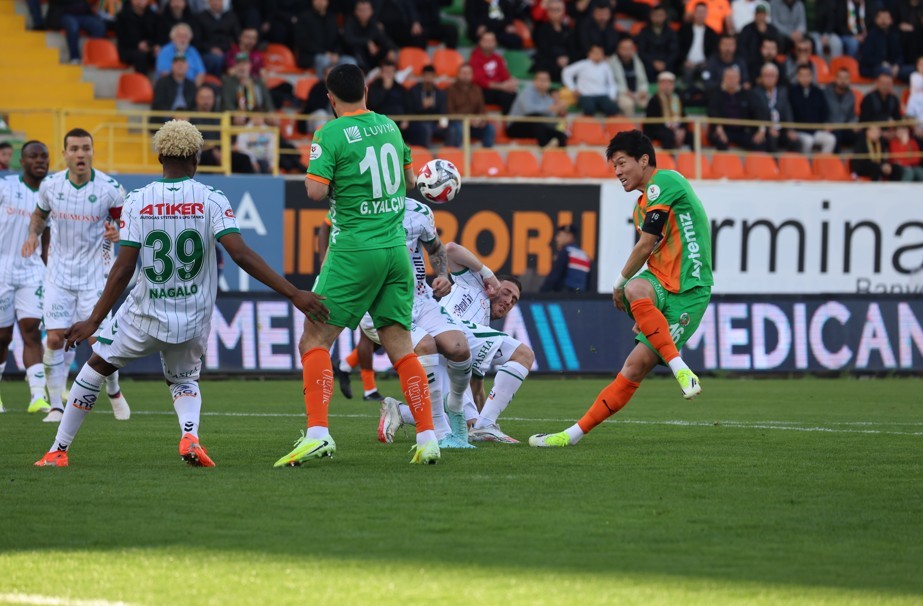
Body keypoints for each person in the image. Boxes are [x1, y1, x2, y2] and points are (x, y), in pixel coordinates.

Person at [33, 120, 328, 468]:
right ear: (196, 157)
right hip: (193, 316)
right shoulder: (212, 198)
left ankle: (58, 450)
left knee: (94, 368)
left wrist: (93, 320)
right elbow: (241, 254)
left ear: (160, 156)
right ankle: (190, 435)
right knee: (185, 379)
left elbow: (124, 267)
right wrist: (294, 293)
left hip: (144, 314)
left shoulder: (138, 200)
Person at [273, 63, 441, 467]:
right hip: (396, 250)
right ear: (367, 89)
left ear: (330, 98)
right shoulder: (388, 125)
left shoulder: (329, 132)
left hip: (355, 249)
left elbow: (315, 191)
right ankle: (428, 437)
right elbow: (410, 180)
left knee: (314, 340)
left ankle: (317, 434)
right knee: (401, 346)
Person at [530, 130, 712, 448]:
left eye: (621, 163)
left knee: (635, 365)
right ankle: (569, 437)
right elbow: (650, 252)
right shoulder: (640, 208)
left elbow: (646, 245)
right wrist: (645, 314)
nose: (617, 172)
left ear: (644, 160)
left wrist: (617, 283)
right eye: (614, 166)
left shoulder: (665, 182)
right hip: (659, 283)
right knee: (636, 288)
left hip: (690, 291)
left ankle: (679, 368)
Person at [23, 128, 129, 424]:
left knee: (100, 342)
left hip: (95, 276)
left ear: (92, 152)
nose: (80, 154)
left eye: (85, 148)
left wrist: (118, 232)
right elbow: (39, 215)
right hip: (58, 275)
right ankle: (56, 405)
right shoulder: (51, 186)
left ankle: (114, 390)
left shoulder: (110, 188)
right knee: (55, 338)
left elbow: (128, 224)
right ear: (65, 154)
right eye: (74, 149)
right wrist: (33, 235)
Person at [0, 141, 51, 415]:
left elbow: (48, 240)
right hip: (1, 270)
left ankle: (37, 397)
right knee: (2, 336)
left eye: (45, 156)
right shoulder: (5, 187)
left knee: (31, 330)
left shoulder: (51, 194)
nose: (40, 161)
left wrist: (48, 268)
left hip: (32, 272)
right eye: (34, 156)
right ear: (23, 160)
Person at [506, 70, 569, 148]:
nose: (543, 82)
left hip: (536, 128)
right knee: (536, 117)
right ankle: (544, 147)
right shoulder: (527, 92)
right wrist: (550, 108)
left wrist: (559, 111)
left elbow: (549, 117)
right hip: (516, 126)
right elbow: (529, 110)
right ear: (534, 81)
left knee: (560, 134)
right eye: (541, 80)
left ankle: (560, 157)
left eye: (546, 80)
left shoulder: (548, 98)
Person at [707, 66, 763, 150]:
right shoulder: (716, 94)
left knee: (758, 143)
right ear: (723, 78)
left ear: (739, 78)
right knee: (720, 142)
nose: (731, 80)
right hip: (723, 129)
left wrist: (761, 130)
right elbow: (712, 112)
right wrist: (719, 129)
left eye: (734, 77)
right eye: (729, 77)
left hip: (742, 130)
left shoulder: (747, 94)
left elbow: (757, 111)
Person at [788, 63, 837, 153]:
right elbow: (788, 112)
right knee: (808, 141)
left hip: (816, 130)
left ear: (811, 76)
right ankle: (806, 166)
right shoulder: (791, 92)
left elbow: (824, 110)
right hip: (799, 131)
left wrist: (826, 123)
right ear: (798, 77)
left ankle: (821, 164)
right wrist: (790, 129)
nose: (805, 78)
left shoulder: (818, 92)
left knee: (831, 139)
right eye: (802, 75)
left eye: (807, 75)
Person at [752, 63, 801, 152]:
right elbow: (757, 113)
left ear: (776, 78)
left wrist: (790, 129)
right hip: (766, 129)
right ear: (761, 78)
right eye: (766, 75)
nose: (769, 78)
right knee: (771, 138)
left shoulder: (783, 91)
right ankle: (773, 165)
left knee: (796, 141)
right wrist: (768, 128)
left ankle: (791, 165)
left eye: (772, 75)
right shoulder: (756, 92)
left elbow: (787, 111)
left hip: (781, 129)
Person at [445, 63, 496, 148]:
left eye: (468, 73)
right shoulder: (450, 90)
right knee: (456, 128)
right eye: (463, 73)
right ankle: (455, 155)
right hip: (458, 123)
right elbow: (449, 111)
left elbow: (482, 109)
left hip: (474, 124)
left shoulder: (477, 89)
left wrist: (480, 119)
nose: (466, 75)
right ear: (458, 74)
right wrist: (466, 119)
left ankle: (486, 156)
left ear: (472, 75)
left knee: (489, 128)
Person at [295, 0, 353, 73]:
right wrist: (325, 53)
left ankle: (347, 84)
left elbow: (339, 39)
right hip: (311, 56)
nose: (320, 1)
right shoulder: (304, 18)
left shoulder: (332, 17)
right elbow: (303, 42)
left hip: (333, 55)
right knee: (323, 61)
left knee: (350, 62)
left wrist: (337, 53)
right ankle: (323, 84)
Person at [563, 44, 620, 117]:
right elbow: (566, 72)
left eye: (600, 53)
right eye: (595, 52)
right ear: (589, 54)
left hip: (602, 94)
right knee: (589, 109)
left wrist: (612, 96)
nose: (598, 55)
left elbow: (611, 83)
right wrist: (573, 88)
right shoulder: (582, 64)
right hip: (586, 94)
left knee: (612, 109)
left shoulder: (606, 66)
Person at [470, 31, 519, 115]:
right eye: (486, 41)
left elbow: (505, 76)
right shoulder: (475, 58)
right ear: (480, 42)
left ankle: (508, 123)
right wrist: (502, 86)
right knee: (506, 96)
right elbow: (480, 81)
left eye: (491, 41)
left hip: (497, 90)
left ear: (495, 43)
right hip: (481, 91)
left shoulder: (497, 58)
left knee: (512, 94)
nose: (489, 44)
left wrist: (511, 82)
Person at [342, 0, 397, 72]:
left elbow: (383, 38)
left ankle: (385, 72)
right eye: (361, 10)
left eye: (366, 10)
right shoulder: (350, 22)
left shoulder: (373, 23)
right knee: (357, 49)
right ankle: (365, 73)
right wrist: (367, 42)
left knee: (385, 50)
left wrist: (391, 49)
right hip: (352, 55)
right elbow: (348, 39)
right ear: (355, 11)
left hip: (371, 57)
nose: (364, 13)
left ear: (371, 11)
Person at [859, 8, 908, 80]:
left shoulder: (894, 35)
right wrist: (881, 63)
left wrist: (897, 65)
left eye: (886, 18)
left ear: (891, 20)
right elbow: (866, 57)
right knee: (886, 70)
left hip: (892, 67)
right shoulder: (870, 35)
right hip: (873, 68)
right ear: (876, 20)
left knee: (912, 70)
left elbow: (900, 55)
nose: (884, 21)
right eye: (881, 18)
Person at [540, 225, 591, 293]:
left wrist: (542, 292)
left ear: (569, 237)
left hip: (565, 295)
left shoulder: (566, 252)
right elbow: (588, 281)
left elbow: (555, 276)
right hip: (579, 294)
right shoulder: (585, 255)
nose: (556, 239)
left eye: (559, 235)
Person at [531, 0, 573, 83]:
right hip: (549, 61)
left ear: (563, 12)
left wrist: (566, 58)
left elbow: (572, 47)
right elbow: (544, 48)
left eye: (558, 9)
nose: (554, 12)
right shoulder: (541, 29)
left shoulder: (568, 29)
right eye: (551, 9)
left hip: (566, 61)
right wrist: (558, 58)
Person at [644, 71, 687, 150]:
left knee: (693, 136)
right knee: (668, 136)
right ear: (659, 85)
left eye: (669, 84)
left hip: (676, 128)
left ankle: (695, 161)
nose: (667, 86)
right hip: (658, 130)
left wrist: (681, 130)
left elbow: (684, 118)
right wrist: (671, 129)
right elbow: (652, 123)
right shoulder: (654, 100)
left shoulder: (678, 99)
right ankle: (669, 161)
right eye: (664, 83)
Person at [679, 2, 720, 84]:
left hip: (704, 64)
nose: (701, 15)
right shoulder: (684, 30)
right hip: (687, 63)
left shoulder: (711, 33)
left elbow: (713, 51)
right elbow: (679, 48)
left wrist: (706, 62)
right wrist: (685, 60)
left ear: (706, 14)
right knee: (687, 73)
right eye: (698, 12)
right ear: (694, 13)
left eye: (703, 12)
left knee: (707, 75)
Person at [636, 5, 680, 81]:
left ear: (665, 16)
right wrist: (653, 62)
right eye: (656, 15)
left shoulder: (671, 32)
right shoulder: (644, 31)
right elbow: (642, 51)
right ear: (651, 16)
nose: (658, 18)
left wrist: (665, 62)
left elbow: (674, 51)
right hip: (649, 63)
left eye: (661, 15)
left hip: (666, 63)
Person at [409, 66, 449, 148]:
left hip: (435, 123)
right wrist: (422, 106)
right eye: (426, 76)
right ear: (422, 77)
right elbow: (409, 110)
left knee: (452, 129)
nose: (428, 79)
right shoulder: (414, 91)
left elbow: (443, 110)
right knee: (426, 128)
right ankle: (428, 156)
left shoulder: (439, 92)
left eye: (431, 76)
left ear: (434, 77)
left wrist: (442, 122)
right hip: (418, 122)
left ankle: (449, 155)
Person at [609, 37, 650, 116]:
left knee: (652, 102)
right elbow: (610, 83)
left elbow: (643, 80)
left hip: (637, 93)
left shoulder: (637, 60)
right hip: (621, 94)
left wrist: (643, 90)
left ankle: (650, 127)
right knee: (628, 104)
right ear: (619, 50)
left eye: (630, 48)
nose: (628, 51)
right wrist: (624, 91)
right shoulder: (612, 63)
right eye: (625, 49)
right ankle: (631, 127)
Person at [738, 3, 781, 78]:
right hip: (751, 62)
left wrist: (763, 33)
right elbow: (742, 47)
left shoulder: (772, 29)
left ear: (766, 16)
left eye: (763, 15)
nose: (761, 17)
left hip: (769, 60)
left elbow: (778, 44)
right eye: (759, 14)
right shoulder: (747, 29)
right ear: (754, 15)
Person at [116, 0, 159, 74]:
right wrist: (137, 45)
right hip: (128, 49)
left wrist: (153, 45)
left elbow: (156, 35)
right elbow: (122, 37)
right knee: (140, 56)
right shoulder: (122, 15)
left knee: (162, 54)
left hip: (148, 47)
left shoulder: (153, 16)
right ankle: (142, 83)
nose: (140, 1)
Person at [824, 66, 859, 149]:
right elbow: (821, 112)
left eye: (846, 78)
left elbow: (851, 115)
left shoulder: (851, 96)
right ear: (835, 79)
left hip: (844, 127)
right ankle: (836, 161)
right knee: (836, 136)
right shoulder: (825, 93)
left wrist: (853, 123)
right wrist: (825, 123)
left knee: (861, 135)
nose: (843, 81)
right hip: (830, 127)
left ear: (849, 80)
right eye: (840, 78)